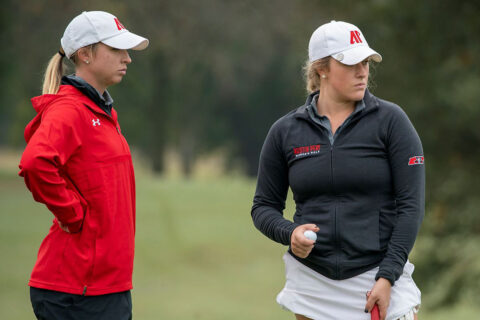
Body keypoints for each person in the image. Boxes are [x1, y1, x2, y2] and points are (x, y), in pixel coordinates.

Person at [251, 20, 424, 320]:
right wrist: (290, 232)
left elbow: (411, 207)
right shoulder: (285, 132)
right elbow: (263, 207)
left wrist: (387, 277)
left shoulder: (392, 122)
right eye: (351, 62)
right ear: (322, 68)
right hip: (314, 282)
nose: (363, 71)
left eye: (366, 62)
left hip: (380, 276)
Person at [18, 11, 148, 320]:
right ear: (85, 54)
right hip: (76, 290)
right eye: (116, 50)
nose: (127, 59)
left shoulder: (101, 112)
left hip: (106, 287)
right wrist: (73, 214)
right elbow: (36, 162)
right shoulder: (70, 110)